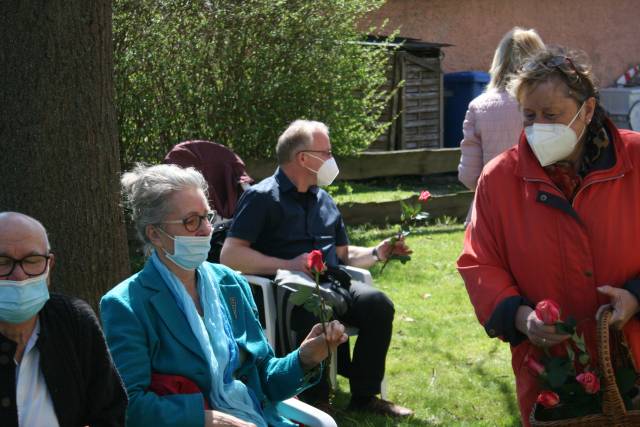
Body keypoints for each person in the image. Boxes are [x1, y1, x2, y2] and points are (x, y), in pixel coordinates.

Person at [457, 46, 640, 426]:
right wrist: (521, 317)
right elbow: (479, 262)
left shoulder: (635, 159)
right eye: (529, 115)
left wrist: (636, 296)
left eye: (551, 115)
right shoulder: (499, 178)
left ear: (587, 111)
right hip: (549, 372)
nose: (539, 125)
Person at [100, 163, 347, 427]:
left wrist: (304, 358)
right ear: (155, 234)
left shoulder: (229, 282)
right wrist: (207, 419)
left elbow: (263, 378)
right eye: (191, 221)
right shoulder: (126, 305)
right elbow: (131, 407)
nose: (207, 230)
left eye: (207, 217)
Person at [220, 120, 414, 417]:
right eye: (326, 153)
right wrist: (288, 264)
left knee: (378, 304)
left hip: (333, 283)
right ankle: (315, 399)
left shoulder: (324, 200)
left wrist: (378, 251)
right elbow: (231, 255)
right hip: (285, 291)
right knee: (313, 306)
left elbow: (343, 254)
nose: (331, 160)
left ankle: (364, 395)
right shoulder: (261, 198)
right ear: (303, 158)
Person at [0, 212, 127, 427]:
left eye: (32, 261)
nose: (19, 276)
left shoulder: (74, 321)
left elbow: (110, 413)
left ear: (50, 266)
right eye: (3, 262)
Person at [457, 27, 544, 223]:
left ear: (499, 61)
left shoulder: (478, 106)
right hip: (540, 208)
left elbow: (468, 175)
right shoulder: (549, 107)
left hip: (490, 209)